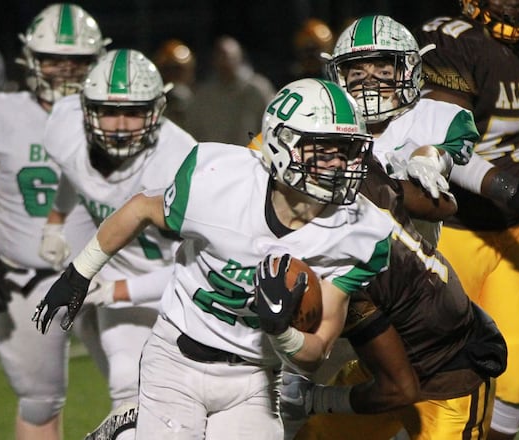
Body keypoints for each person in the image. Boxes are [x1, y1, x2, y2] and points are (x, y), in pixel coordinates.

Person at [33, 78, 393, 439]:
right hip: (177, 358)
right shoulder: (219, 181)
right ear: (282, 144)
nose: (337, 163)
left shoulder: (359, 233)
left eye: (346, 150)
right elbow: (141, 208)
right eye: (323, 149)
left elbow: (317, 350)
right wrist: (79, 273)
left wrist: (280, 330)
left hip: (256, 377)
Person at [281, 15, 506, 439]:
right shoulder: (326, 122)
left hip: (428, 316)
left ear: (410, 70)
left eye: (383, 70)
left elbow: (445, 192)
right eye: (357, 71)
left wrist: (432, 158)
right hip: (365, 294)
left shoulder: (431, 117)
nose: (369, 82)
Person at [415, 1, 519, 437]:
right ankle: (328, 419)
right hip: (448, 227)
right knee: (424, 368)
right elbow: (443, 143)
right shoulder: (452, 41)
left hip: (511, 230)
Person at [0, 4, 107, 440]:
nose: (64, 71)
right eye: (54, 59)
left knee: (146, 386)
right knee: (39, 403)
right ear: (31, 59)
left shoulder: (116, 110)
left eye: (77, 61)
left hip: (109, 271)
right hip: (29, 276)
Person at [33, 48, 197, 440]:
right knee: (126, 392)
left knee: (190, 408)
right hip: (120, 275)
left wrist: (117, 290)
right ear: (86, 111)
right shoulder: (66, 128)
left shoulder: (179, 161)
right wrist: (55, 222)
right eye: (108, 111)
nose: (120, 126)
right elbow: (76, 174)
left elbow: (205, 265)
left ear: (157, 111)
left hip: (188, 291)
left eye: (134, 112)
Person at [183, 35, 275, 145]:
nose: (224, 62)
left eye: (229, 57)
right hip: (215, 157)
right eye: (220, 57)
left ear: (239, 58)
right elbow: (193, 128)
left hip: (249, 156)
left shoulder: (258, 89)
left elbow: (272, 124)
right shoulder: (205, 94)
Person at [152, 39, 196, 131]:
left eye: (178, 70)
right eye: (168, 69)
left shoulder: (202, 101)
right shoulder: (153, 104)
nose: (174, 75)